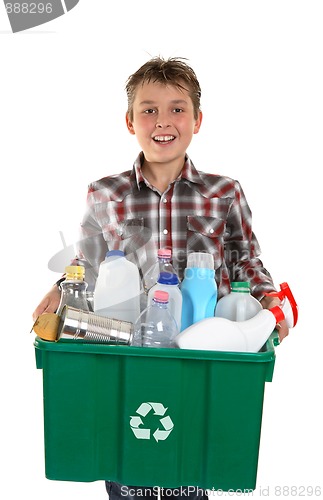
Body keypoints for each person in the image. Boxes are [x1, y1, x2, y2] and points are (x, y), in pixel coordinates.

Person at [32, 56, 288, 498]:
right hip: (128, 354)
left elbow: (247, 260)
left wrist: (270, 304)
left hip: (202, 354)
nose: (162, 121)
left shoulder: (223, 191)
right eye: (148, 109)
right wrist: (59, 291)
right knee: (130, 460)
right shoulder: (105, 192)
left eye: (177, 108)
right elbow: (88, 265)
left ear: (197, 120)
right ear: (130, 121)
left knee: (190, 460)